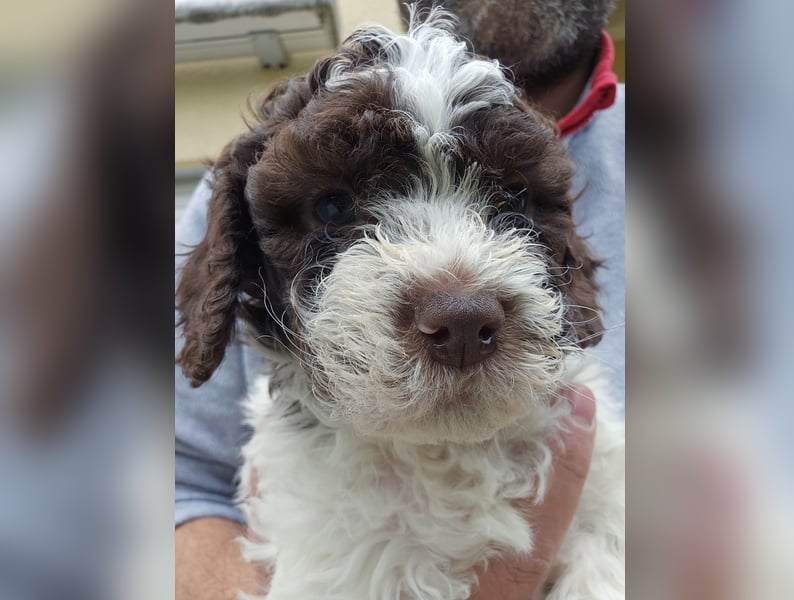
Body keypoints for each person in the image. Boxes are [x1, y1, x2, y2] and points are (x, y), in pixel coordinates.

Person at [175, 1, 623, 598]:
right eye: (335, 211)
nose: (461, 294)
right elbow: (177, 484)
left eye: (510, 202)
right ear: (243, 259)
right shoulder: (244, 182)